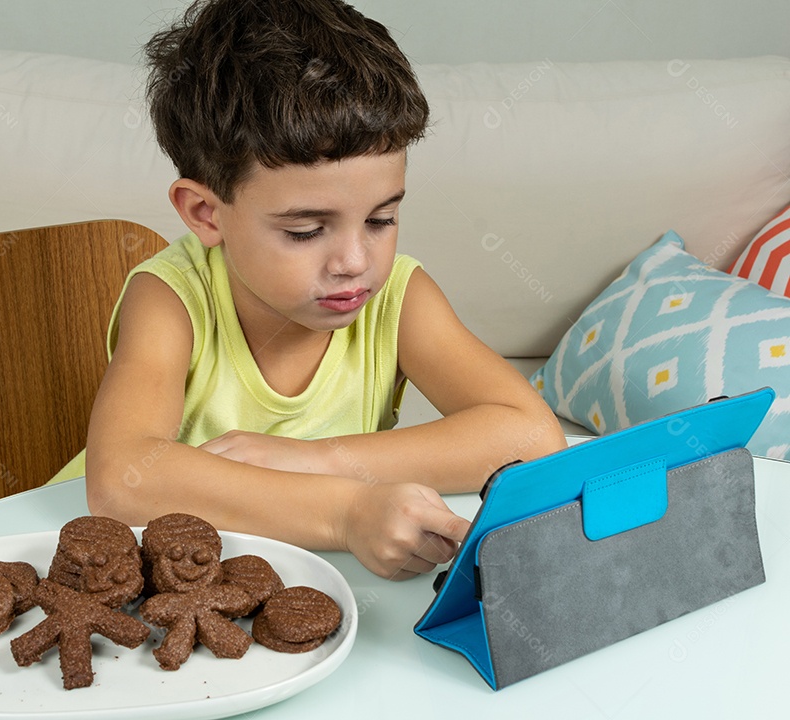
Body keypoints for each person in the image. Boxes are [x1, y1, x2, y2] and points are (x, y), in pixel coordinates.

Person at [61, 0, 566, 580]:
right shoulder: (171, 299)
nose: (356, 262)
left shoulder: (398, 299)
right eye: (305, 231)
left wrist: (314, 459)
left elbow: (531, 436)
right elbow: (123, 478)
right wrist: (346, 512)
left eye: (381, 220)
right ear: (205, 212)